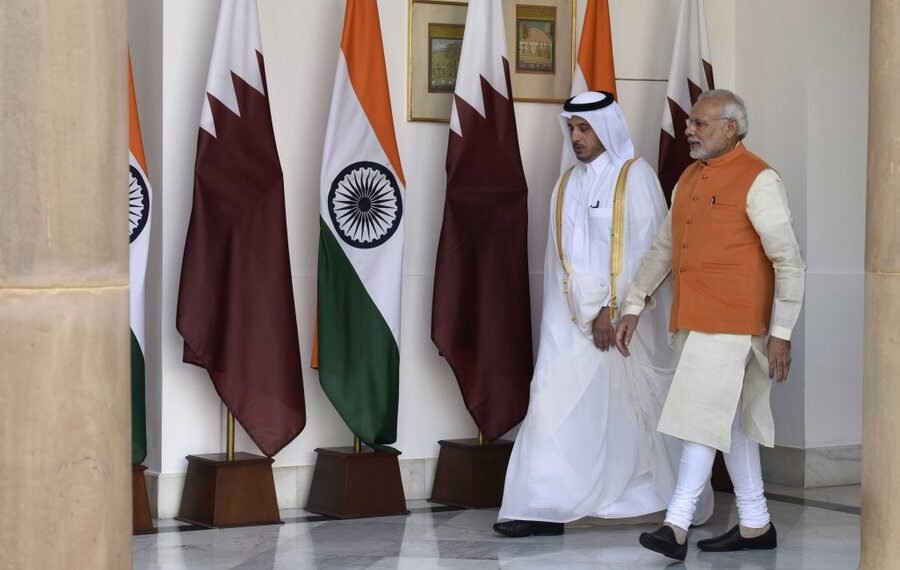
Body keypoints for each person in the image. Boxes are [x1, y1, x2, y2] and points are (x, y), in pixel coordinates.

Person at [493, 91, 712, 538]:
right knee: (552, 400)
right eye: (571, 128)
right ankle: (544, 505)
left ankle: (636, 500)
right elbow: (561, 261)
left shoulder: (636, 178)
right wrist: (585, 312)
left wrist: (612, 311)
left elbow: (649, 253)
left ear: (607, 128)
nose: (576, 137)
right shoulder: (565, 185)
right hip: (569, 321)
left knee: (624, 413)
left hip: (625, 322)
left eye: (585, 128)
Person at [615, 89, 806, 561]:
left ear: (730, 128)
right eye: (689, 123)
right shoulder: (686, 178)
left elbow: (789, 261)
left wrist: (780, 332)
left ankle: (675, 526)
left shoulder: (760, 179)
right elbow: (664, 247)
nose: (689, 130)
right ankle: (756, 522)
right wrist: (635, 302)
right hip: (692, 322)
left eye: (700, 123)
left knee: (699, 420)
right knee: (730, 424)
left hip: (735, 324)